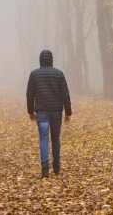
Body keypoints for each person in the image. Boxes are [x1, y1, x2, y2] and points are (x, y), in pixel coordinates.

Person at [25, 49, 72, 178]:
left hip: (42, 112)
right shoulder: (59, 74)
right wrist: (68, 112)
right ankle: (56, 167)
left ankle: (45, 169)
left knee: (44, 139)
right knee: (55, 138)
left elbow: (30, 94)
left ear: (40, 60)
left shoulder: (34, 74)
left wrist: (30, 112)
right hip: (56, 112)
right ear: (51, 59)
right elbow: (65, 94)